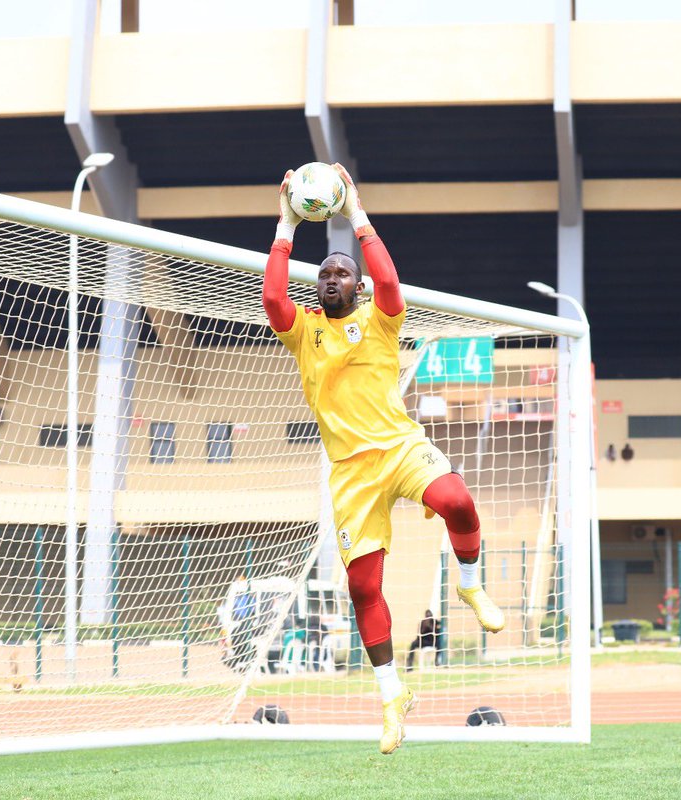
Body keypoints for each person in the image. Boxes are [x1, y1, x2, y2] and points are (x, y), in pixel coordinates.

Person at [263, 164, 505, 754]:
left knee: (458, 501)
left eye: (343, 272)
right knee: (362, 586)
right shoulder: (304, 332)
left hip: (399, 447)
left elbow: (391, 282)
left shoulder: (381, 320)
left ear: (358, 286)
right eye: (324, 274)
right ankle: (392, 694)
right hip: (350, 474)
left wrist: (357, 214)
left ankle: (470, 585)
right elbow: (272, 294)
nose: (331, 278)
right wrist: (287, 223)